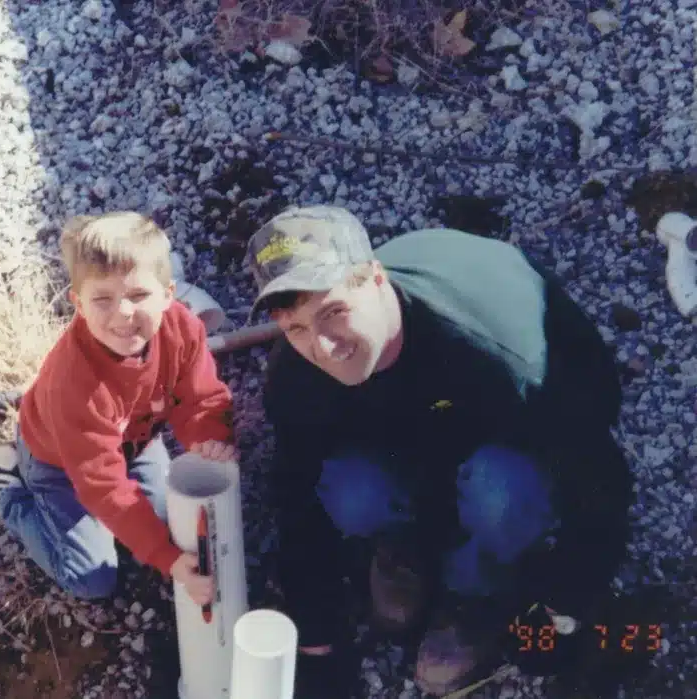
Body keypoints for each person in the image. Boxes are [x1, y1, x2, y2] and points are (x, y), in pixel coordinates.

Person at [245, 205, 633, 697]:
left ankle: (474, 591)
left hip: (504, 439)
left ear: (375, 279)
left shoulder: (504, 358)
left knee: (502, 494)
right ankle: (407, 550)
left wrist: (564, 608)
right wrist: (316, 642)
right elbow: (294, 493)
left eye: (334, 312)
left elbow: (599, 474)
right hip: (409, 439)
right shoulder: (298, 376)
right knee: (347, 489)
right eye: (296, 327)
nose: (323, 346)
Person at [0, 211, 237, 607]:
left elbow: (200, 398)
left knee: (165, 523)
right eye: (103, 299)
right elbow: (102, 484)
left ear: (169, 294)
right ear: (78, 304)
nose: (123, 313)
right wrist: (167, 560)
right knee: (93, 579)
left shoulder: (184, 329)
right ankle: (4, 486)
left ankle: (133, 527)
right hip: (60, 464)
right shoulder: (77, 384)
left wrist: (209, 439)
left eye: (138, 295)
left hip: (134, 441)